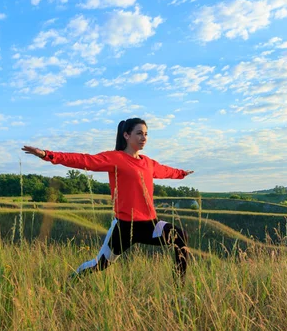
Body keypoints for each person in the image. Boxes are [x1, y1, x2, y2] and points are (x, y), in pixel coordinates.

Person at [21, 117, 194, 284]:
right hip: (124, 227)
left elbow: (165, 170)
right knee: (100, 264)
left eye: (146, 134)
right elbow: (84, 160)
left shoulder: (148, 163)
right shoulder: (115, 158)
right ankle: (71, 280)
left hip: (150, 225)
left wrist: (181, 174)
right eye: (139, 133)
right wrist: (47, 155)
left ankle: (179, 289)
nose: (144, 138)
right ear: (126, 135)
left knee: (180, 236)